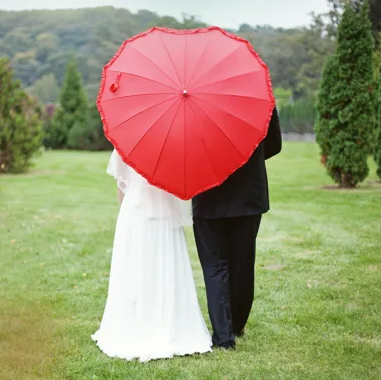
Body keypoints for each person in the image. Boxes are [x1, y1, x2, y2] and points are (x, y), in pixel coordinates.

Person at [92, 149, 212, 362]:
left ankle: (136, 325)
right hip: (165, 213)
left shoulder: (127, 141)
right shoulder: (174, 144)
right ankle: (168, 323)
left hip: (136, 211)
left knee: (137, 267)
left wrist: (128, 212)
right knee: (165, 268)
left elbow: (121, 185)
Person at [192, 107, 282, 349]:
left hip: (208, 190)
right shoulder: (258, 94)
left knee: (214, 265)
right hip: (247, 191)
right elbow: (274, 144)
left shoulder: (191, 96)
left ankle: (224, 336)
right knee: (242, 262)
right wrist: (245, 160)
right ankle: (236, 325)